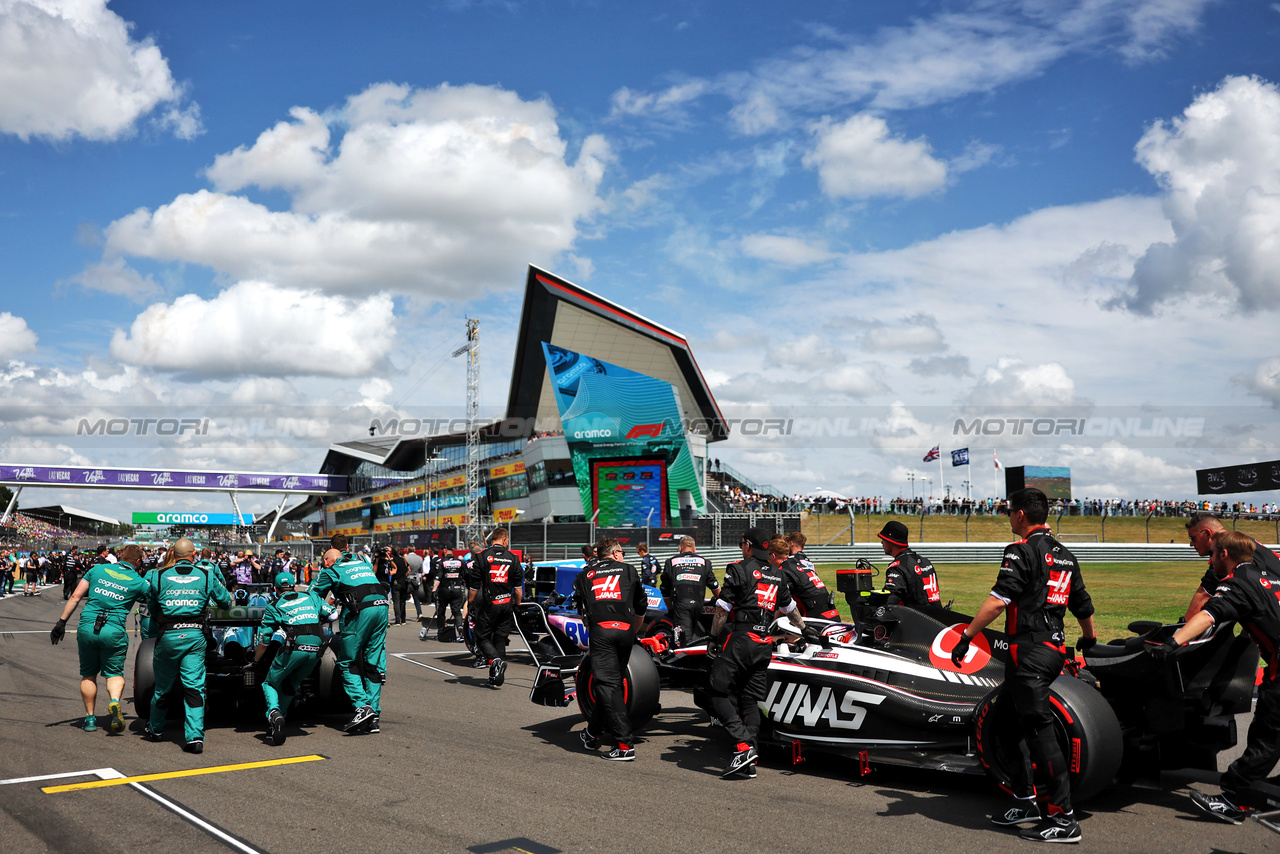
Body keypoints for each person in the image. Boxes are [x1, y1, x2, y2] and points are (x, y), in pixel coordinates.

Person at [949, 487, 1096, 843]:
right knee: (1005, 724)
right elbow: (1083, 605)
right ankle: (1025, 798)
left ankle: (1063, 818)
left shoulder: (1020, 550)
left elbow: (999, 601)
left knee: (1039, 732)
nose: (1008, 518)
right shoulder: (1064, 554)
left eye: (1009, 512)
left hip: (1028, 654)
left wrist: (967, 636)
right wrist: (1088, 641)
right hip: (1052, 649)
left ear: (1019, 516)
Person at [1158, 531, 1280, 824]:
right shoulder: (1271, 575)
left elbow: (1208, 616)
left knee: (1267, 737)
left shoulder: (1238, 583)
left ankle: (1235, 800)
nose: (1210, 561)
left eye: (1212, 555)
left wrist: (1171, 644)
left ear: (1224, 554)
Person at [706, 529, 805, 779]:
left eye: (742, 543)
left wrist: (714, 637)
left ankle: (742, 746)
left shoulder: (738, 568)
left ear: (748, 546)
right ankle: (749, 758)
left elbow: (722, 608)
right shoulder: (779, 574)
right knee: (750, 700)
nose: (741, 547)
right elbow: (790, 610)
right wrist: (806, 630)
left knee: (716, 692)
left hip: (742, 640)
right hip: (763, 643)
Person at [142, 538, 232, 753]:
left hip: (168, 636)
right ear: (194, 554)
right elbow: (226, 602)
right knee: (193, 687)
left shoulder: (157, 575)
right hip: (194, 636)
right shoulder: (207, 574)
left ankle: (155, 729)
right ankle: (194, 738)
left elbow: (151, 606)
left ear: (174, 554)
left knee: (163, 686)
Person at [50, 544, 150, 733]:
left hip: (87, 627)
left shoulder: (97, 569)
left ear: (120, 556)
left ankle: (89, 718)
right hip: (114, 630)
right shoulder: (139, 581)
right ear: (138, 562)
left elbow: (75, 597)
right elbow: (154, 601)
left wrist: (61, 623)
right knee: (114, 674)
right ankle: (113, 701)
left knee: (88, 675)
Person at [575, 538, 646, 761]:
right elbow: (641, 607)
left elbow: (581, 611)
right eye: (622, 552)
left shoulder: (585, 575)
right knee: (610, 686)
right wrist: (630, 631)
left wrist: (595, 629)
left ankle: (624, 745)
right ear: (615, 554)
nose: (623, 555)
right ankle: (592, 733)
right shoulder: (629, 570)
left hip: (602, 633)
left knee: (608, 686)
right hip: (625, 631)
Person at [310, 536, 388, 734]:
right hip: (382, 606)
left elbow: (313, 595)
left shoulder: (331, 569)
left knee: (347, 662)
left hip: (359, 611)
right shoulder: (361, 559)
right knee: (373, 664)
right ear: (346, 547)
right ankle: (374, 716)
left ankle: (363, 707)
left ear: (328, 555)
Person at [250, 571, 337, 745]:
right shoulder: (311, 596)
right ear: (295, 587)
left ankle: (273, 713)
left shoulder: (274, 606)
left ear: (275, 589)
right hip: (316, 651)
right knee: (291, 683)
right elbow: (334, 615)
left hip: (293, 648)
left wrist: (256, 661)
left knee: (270, 683)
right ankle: (277, 723)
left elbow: (264, 640)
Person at [1182, 511, 1280, 621]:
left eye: (1192, 538)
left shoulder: (1228, 553)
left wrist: (1180, 629)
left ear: (1207, 533)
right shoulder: (1244, 543)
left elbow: (1204, 595)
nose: (1191, 544)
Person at [467, 528, 523, 688]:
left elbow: (474, 587)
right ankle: (496, 675)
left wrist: (471, 602)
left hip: (489, 604)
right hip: (507, 604)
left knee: (481, 636)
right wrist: (517, 604)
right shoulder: (513, 558)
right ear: (504, 540)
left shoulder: (481, 557)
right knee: (500, 637)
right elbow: (518, 589)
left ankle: (495, 661)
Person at [659, 536, 719, 646]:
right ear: (694, 549)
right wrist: (723, 602)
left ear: (680, 548)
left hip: (681, 605)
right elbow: (714, 586)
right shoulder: (705, 562)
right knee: (694, 636)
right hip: (698, 605)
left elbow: (664, 590)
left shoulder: (671, 562)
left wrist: (671, 610)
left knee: (683, 643)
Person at [878, 521, 942, 609]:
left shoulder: (898, 567)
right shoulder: (926, 562)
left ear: (891, 541)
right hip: (938, 618)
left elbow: (890, 601)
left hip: (917, 620)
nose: (882, 542)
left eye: (883, 539)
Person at [781, 531, 839, 620]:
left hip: (806, 600)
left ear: (791, 543)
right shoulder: (807, 560)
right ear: (803, 546)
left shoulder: (790, 562)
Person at [433, 548, 468, 642]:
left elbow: (438, 577)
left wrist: (434, 590)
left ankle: (441, 632)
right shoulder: (459, 562)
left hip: (444, 590)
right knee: (456, 611)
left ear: (445, 550)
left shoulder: (441, 561)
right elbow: (465, 575)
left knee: (441, 611)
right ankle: (461, 631)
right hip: (457, 589)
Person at [388, 547, 410, 626]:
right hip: (404, 582)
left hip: (396, 582)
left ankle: (398, 620)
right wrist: (404, 574)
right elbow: (408, 569)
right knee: (403, 601)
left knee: (396, 601)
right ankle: (403, 619)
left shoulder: (393, 561)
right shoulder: (403, 560)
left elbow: (391, 570)